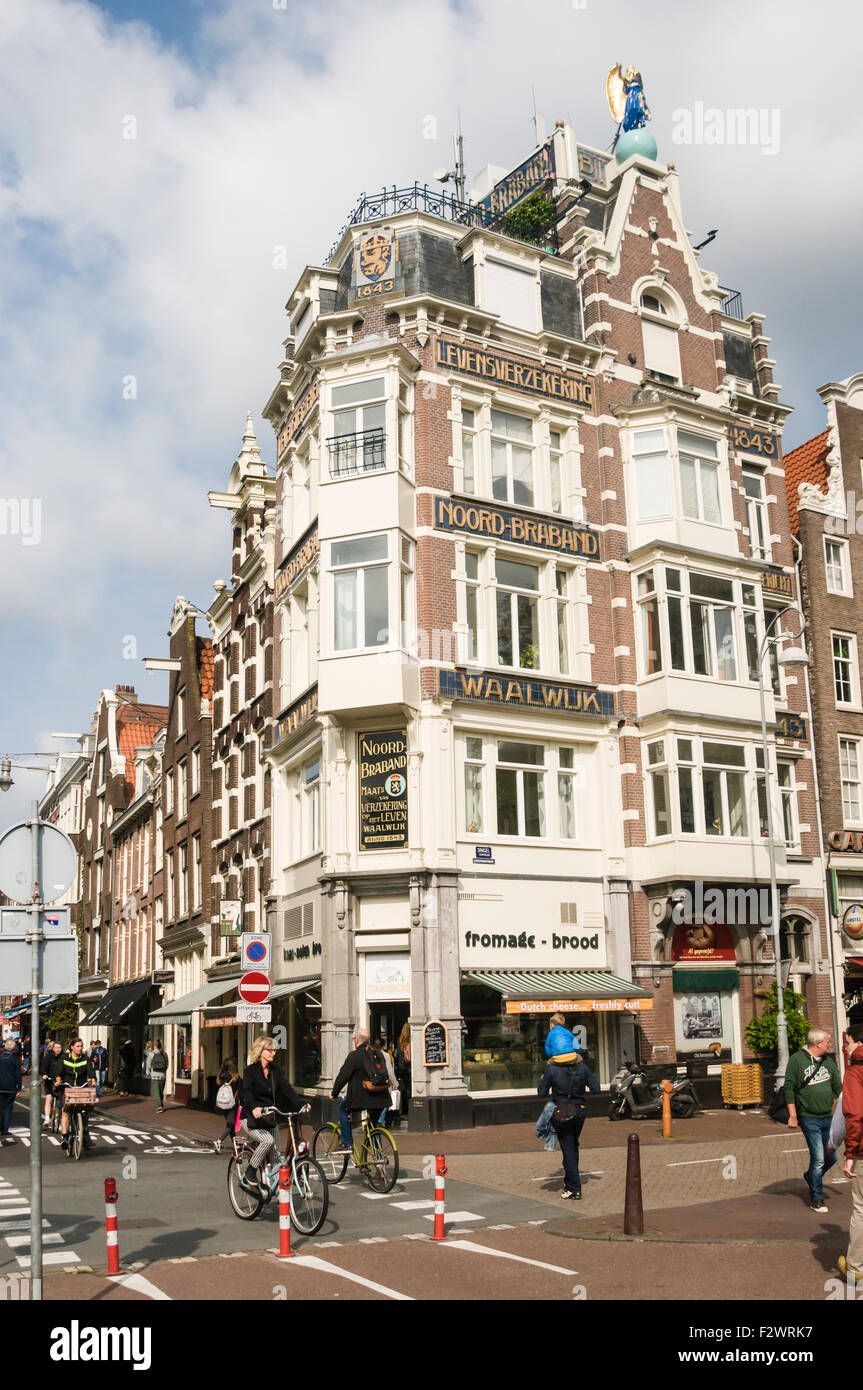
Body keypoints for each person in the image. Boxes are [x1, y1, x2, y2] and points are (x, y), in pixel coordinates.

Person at [239, 1037, 308, 1194]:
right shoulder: (250, 1071)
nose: (273, 1053)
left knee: (277, 1156)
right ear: (261, 1051)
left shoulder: (275, 1071)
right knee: (267, 1141)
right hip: (251, 1118)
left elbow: (287, 1090)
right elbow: (247, 1093)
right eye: (270, 1050)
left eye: (274, 1050)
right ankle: (249, 1173)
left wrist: (301, 1104)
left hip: (270, 1118)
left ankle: (278, 1193)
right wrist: (255, 1107)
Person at [784, 1026, 842, 1213]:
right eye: (827, 1042)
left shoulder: (828, 1061)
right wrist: (793, 1115)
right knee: (818, 1158)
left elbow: (838, 1087)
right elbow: (789, 1088)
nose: (829, 1044)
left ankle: (811, 1176)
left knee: (832, 1157)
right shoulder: (797, 1060)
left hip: (828, 1117)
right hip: (809, 1118)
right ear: (818, 1044)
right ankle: (816, 1197)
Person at [538, 1053, 601, 1199]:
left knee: (568, 1148)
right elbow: (596, 1089)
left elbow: (541, 1093)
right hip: (580, 1110)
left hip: (562, 1112)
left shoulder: (551, 1070)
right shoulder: (583, 1068)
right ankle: (570, 1183)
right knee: (572, 1145)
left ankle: (574, 1188)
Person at [329, 1028, 391, 1152]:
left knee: (342, 1109)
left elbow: (343, 1076)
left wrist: (334, 1093)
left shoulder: (354, 1055)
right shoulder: (378, 1053)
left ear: (356, 1040)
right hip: (382, 1098)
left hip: (361, 1099)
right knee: (373, 1127)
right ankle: (378, 1157)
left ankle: (347, 1143)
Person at [838, 1021, 863, 1285]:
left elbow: (855, 1115)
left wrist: (850, 1154)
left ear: (857, 1042)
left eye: (847, 1042)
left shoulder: (855, 1072)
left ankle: (856, 1270)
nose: (845, 1047)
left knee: (861, 1209)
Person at [56, 1038, 97, 1151]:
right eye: (78, 1046)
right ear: (72, 1047)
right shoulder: (64, 1058)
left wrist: (93, 1079)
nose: (80, 1048)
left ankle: (85, 1133)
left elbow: (90, 1070)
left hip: (81, 1086)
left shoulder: (85, 1058)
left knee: (86, 1109)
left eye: (81, 1046)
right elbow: (59, 1072)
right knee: (65, 1111)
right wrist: (58, 1079)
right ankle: (64, 1137)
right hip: (67, 1086)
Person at [214, 1058, 240, 1152]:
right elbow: (240, 1091)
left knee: (230, 1125)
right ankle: (219, 1141)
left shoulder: (220, 1077)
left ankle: (236, 1146)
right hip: (232, 1105)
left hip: (222, 1104)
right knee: (230, 1125)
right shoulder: (236, 1078)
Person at [0, 1039, 22, 1146]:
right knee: (8, 1108)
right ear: (13, 1048)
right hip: (10, 1087)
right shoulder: (14, 1059)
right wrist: (19, 1087)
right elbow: (18, 1073)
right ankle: (4, 1129)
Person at [393, 1021, 412, 1128]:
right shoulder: (409, 1042)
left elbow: (396, 1055)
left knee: (405, 1089)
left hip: (401, 1068)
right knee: (409, 1089)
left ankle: (403, 1110)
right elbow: (409, 1058)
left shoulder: (400, 1041)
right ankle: (410, 1111)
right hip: (408, 1068)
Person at [42, 1041, 64, 1125]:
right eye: (56, 1048)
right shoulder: (48, 1057)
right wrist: (44, 1074)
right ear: (53, 1048)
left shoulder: (64, 1057)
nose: (58, 1049)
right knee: (49, 1098)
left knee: (62, 1100)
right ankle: (47, 1118)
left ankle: (61, 1119)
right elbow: (44, 1066)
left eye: (59, 1048)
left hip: (61, 1081)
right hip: (50, 1080)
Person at [150, 1040, 169, 1111]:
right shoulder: (165, 1054)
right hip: (162, 1076)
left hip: (154, 1075)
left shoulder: (152, 1054)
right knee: (161, 1091)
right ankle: (160, 1104)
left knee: (156, 1092)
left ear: (155, 1046)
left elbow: (149, 1064)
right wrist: (164, 1071)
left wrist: (150, 1071)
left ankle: (160, 1106)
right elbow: (167, 1064)